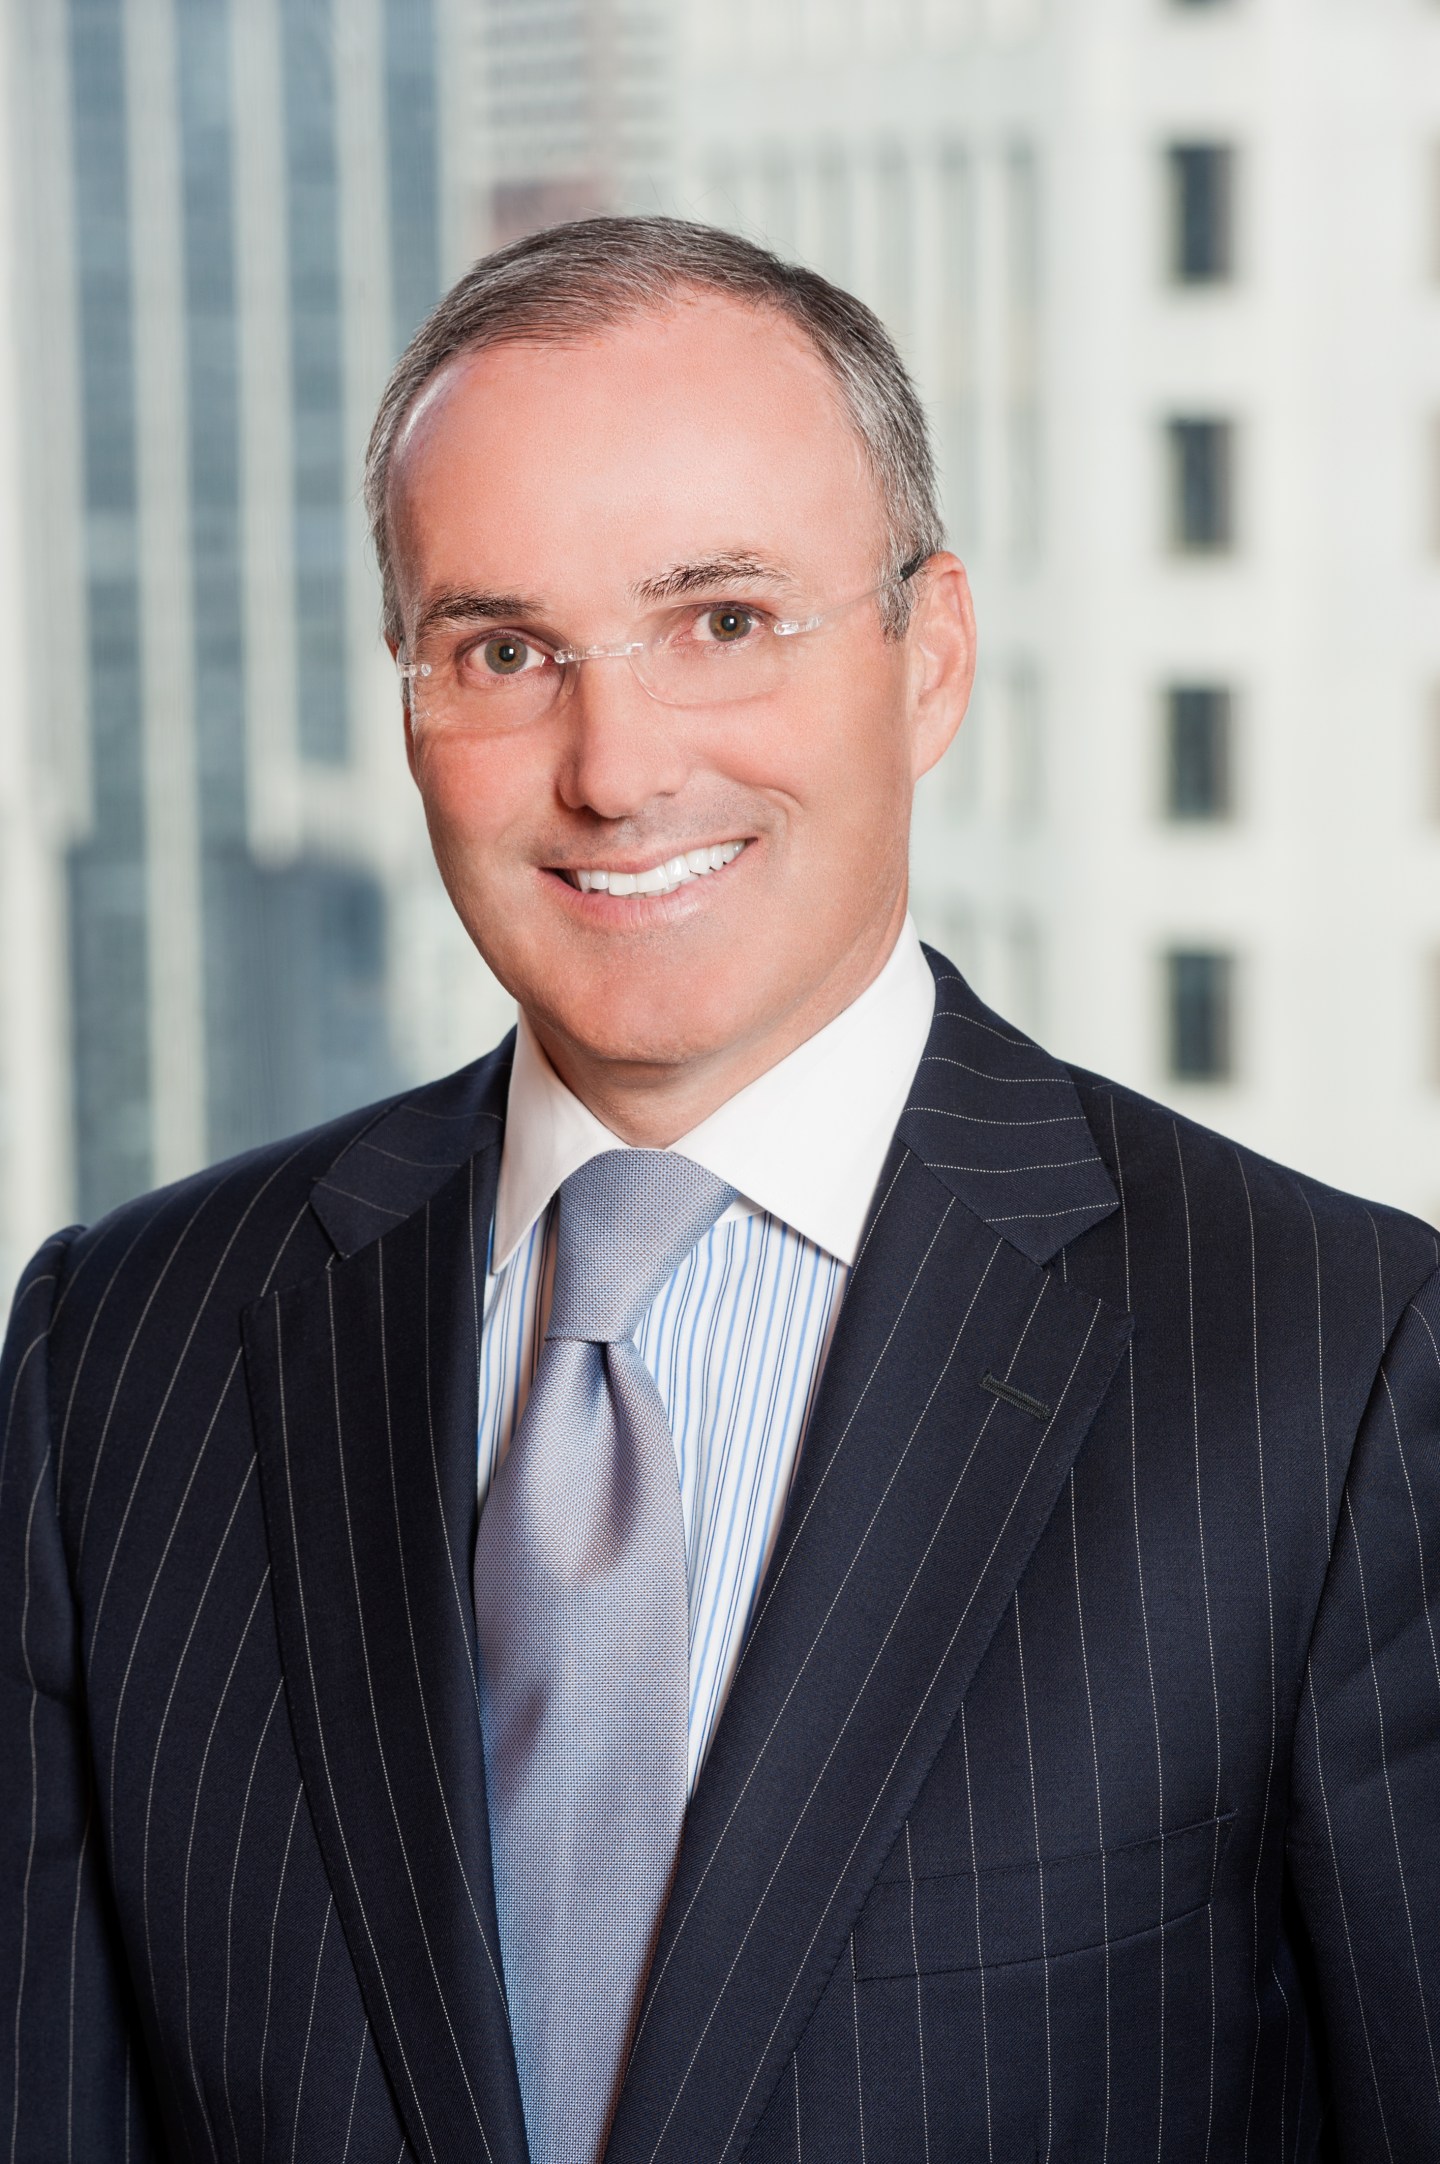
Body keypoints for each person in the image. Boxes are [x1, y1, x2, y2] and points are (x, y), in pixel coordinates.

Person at [2, 215, 1437, 2164]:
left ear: (930, 658)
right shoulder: (120, 1355)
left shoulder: (1333, 1366)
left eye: (725, 622)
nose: (614, 768)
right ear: (410, 702)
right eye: (505, 652)